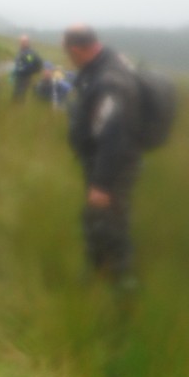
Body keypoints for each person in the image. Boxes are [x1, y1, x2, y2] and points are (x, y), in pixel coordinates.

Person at [62, 25, 142, 287]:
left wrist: (102, 183)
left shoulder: (110, 80)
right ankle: (97, 271)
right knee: (97, 219)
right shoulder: (107, 61)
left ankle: (122, 287)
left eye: (69, 53)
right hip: (105, 160)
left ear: (76, 49)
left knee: (110, 223)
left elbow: (113, 133)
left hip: (112, 165)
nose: (68, 59)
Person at [11, 34, 43, 101]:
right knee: (17, 91)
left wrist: (20, 69)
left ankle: (19, 106)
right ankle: (16, 105)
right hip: (21, 74)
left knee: (21, 92)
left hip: (25, 75)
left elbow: (30, 63)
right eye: (21, 41)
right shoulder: (22, 50)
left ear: (27, 42)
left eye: (24, 41)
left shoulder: (28, 53)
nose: (21, 43)